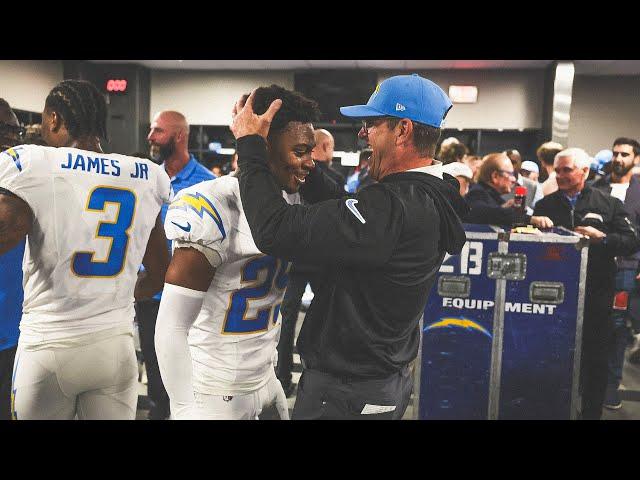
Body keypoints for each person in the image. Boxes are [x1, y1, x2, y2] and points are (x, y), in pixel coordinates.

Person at [231, 73, 469, 420]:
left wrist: (251, 146)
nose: (361, 133)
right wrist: (303, 167)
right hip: (380, 379)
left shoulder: (396, 206)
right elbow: (346, 210)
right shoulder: (427, 193)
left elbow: (276, 230)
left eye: (371, 124)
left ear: (402, 129)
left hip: (348, 391)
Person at [1, 80, 171, 420]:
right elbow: (160, 273)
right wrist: (118, 294)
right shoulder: (146, 174)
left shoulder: (32, 163)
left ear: (53, 119)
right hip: (114, 347)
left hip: (49, 346)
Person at [154, 85, 320, 419]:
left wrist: (267, 376)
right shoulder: (214, 203)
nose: (309, 163)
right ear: (263, 142)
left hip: (260, 379)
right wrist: (185, 407)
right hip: (213, 392)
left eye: (310, 150)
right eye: (300, 150)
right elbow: (171, 326)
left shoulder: (291, 200)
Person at [533, 147, 640, 420]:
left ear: (585, 171)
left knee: (595, 357)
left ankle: (591, 413)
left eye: (567, 170)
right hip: (554, 295)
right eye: (557, 170)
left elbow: (631, 242)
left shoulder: (608, 204)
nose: (560, 175)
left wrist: (602, 238)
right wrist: (533, 225)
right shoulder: (546, 205)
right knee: (553, 356)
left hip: (596, 292)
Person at [139, 110, 215, 420]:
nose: (150, 137)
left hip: (191, 300)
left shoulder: (209, 183)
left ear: (179, 136)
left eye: (158, 131)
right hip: (152, 296)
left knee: (191, 383)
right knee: (156, 383)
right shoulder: (147, 180)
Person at [591, 138, 640, 409]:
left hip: (627, 267)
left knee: (618, 325)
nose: (619, 158)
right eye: (616, 153)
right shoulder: (597, 187)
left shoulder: (639, 191)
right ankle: (590, 381)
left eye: (625, 154)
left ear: (635, 158)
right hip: (596, 265)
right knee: (593, 320)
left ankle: (611, 383)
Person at [0, 99, 25, 420]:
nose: (12, 137)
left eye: (15, 129)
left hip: (19, 332)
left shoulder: (22, 181)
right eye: (4, 128)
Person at [463, 152, 552, 228]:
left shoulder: (491, 195)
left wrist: (504, 207)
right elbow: (490, 214)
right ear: (495, 176)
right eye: (510, 174)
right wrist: (530, 219)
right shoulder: (477, 193)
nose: (514, 179)